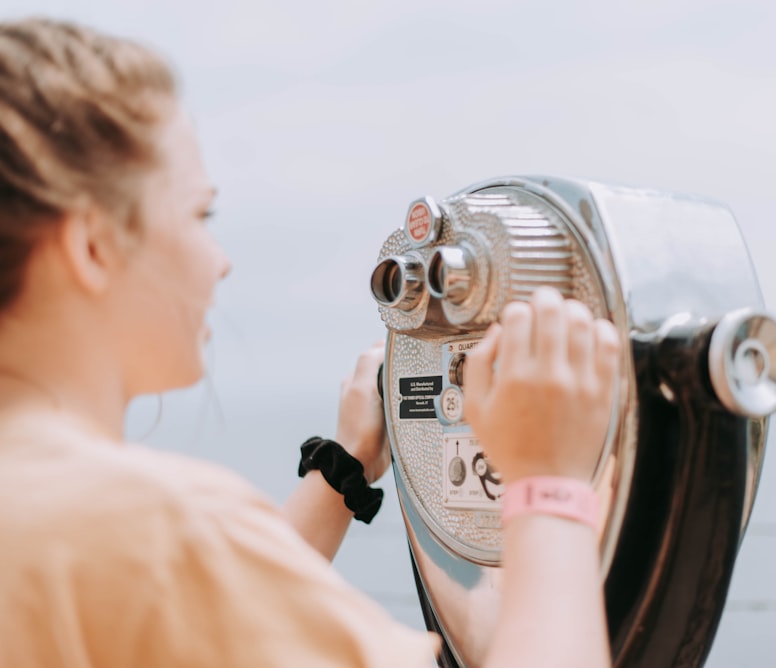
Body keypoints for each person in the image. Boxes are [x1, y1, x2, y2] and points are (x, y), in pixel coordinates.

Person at [0, 17, 620, 668]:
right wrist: (550, 481)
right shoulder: (157, 529)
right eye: (198, 214)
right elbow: (182, 573)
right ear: (92, 246)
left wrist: (342, 470)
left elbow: (209, 621)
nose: (220, 260)